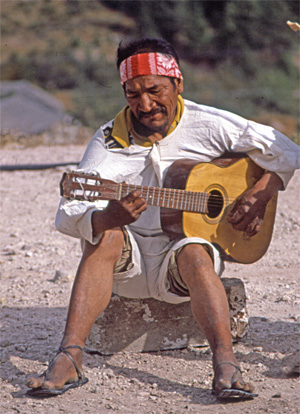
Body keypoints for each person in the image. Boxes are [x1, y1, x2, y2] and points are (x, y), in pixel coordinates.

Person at [26, 37, 299, 400]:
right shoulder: (109, 141)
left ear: (178, 84)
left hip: (181, 268)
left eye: (155, 90)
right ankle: (69, 356)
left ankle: (226, 365)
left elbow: (286, 149)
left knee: (195, 251)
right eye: (133, 95)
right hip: (128, 268)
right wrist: (109, 217)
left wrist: (262, 190)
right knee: (105, 236)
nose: (145, 104)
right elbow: (68, 212)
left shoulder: (208, 122)